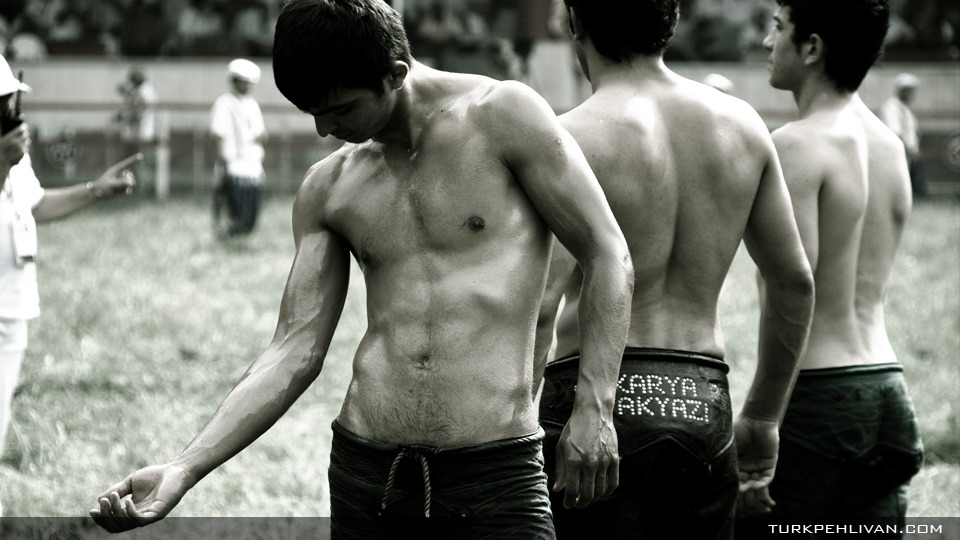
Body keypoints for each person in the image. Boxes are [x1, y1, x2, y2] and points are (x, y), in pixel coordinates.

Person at [90, 1, 633, 538]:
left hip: (494, 472)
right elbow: (292, 349)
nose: (326, 130)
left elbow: (606, 251)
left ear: (395, 74)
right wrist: (185, 469)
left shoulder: (504, 116)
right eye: (313, 113)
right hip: (367, 473)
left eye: (342, 109)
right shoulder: (331, 185)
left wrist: (596, 404)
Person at [533, 1, 814, 538]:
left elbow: (541, 303)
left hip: (590, 395)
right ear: (672, 21)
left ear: (575, 20)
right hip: (700, 393)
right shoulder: (744, 127)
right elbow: (793, 281)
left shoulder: (567, 138)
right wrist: (763, 414)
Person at [737, 0, 924, 535]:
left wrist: (762, 417)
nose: (769, 43)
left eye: (777, 28)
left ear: (813, 47)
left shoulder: (796, 145)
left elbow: (793, 289)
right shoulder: (889, 148)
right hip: (889, 392)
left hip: (818, 396)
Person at [0, 53, 139, 468]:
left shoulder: (14, 159)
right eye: (3, 102)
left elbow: (36, 205)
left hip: (13, 310)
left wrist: (96, 189)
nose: (10, 112)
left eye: (11, 101)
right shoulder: (6, 158)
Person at [210, 58, 267, 238]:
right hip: (234, 165)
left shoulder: (252, 104)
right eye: (244, 82)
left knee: (251, 212)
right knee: (233, 208)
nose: (248, 86)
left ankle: (241, 238)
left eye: (251, 82)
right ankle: (227, 238)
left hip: (252, 166)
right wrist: (224, 163)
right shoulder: (224, 103)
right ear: (234, 81)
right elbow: (219, 135)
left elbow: (261, 133)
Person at [880, 73, 926, 198]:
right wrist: (910, 149)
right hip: (900, 152)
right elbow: (896, 132)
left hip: (910, 152)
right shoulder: (891, 107)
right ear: (901, 90)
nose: (911, 94)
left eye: (912, 91)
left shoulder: (905, 108)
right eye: (908, 90)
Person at [115, 65, 157, 195]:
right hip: (142, 133)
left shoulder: (144, 91)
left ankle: (142, 190)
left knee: (139, 162)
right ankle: (141, 189)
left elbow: (139, 109)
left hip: (141, 134)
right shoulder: (147, 90)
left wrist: (133, 122)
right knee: (140, 163)